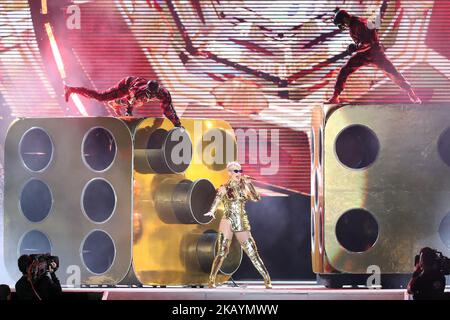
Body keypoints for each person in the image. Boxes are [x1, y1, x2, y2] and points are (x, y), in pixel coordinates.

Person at [327, 8, 421, 104]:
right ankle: (335, 96)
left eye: (341, 24)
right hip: (365, 54)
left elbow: (368, 43)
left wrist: (356, 48)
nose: (342, 26)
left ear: (344, 19)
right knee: (345, 70)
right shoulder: (354, 24)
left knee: (393, 73)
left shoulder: (359, 24)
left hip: (376, 54)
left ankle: (412, 94)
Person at [204, 162, 272, 289]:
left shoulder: (243, 187)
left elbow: (256, 198)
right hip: (227, 220)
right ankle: (211, 280)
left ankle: (267, 279)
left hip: (241, 220)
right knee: (222, 251)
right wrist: (212, 211)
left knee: (252, 251)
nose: (239, 174)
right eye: (236, 171)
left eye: (240, 171)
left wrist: (249, 184)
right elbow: (217, 200)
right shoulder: (224, 188)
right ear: (229, 173)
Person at [64, 76, 182, 127]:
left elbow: (168, 110)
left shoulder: (164, 93)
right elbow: (130, 105)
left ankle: (116, 104)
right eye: (148, 93)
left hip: (135, 94)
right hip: (127, 84)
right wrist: (128, 115)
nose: (150, 96)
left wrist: (177, 124)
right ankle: (71, 89)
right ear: (146, 89)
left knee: (139, 102)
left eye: (152, 94)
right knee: (101, 97)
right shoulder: (138, 91)